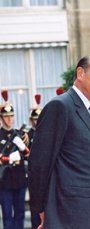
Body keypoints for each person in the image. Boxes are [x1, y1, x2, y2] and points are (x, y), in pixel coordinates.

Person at [28, 54, 90, 228]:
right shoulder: (60, 106)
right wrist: (41, 210)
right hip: (70, 215)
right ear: (80, 73)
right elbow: (39, 163)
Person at [0, 90, 29, 229]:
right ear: (1, 118)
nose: (9, 119)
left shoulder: (20, 133)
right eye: (6, 116)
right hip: (4, 181)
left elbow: (29, 156)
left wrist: (23, 148)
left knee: (20, 213)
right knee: (7, 215)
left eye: (11, 116)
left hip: (19, 179)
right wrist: (9, 158)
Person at [27, 94, 42, 229]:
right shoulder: (28, 135)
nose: (37, 122)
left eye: (39, 119)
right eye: (34, 119)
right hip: (32, 176)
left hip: (44, 176)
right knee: (35, 209)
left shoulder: (45, 134)